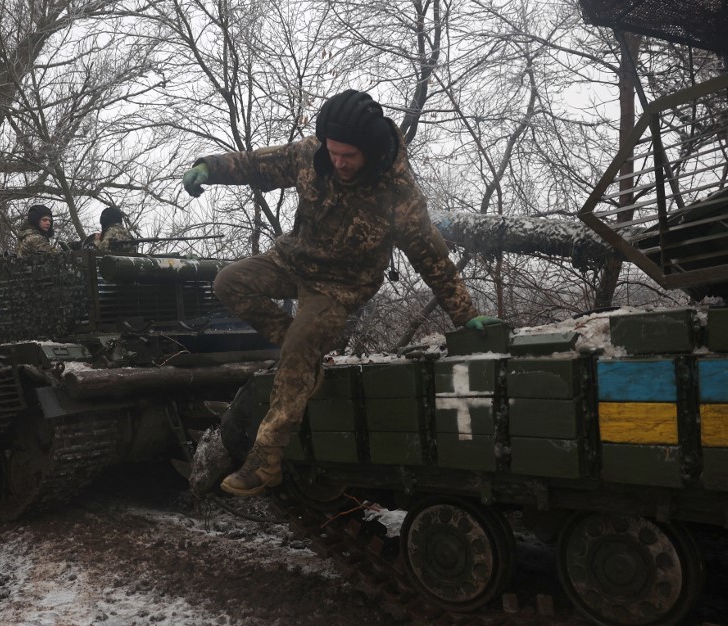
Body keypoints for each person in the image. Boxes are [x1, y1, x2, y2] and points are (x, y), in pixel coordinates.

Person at [182, 89, 499, 497]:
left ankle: (266, 458)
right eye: (334, 152)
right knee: (229, 282)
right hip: (293, 260)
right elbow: (257, 164)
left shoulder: (398, 194)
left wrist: (464, 313)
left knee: (298, 346)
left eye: (348, 155)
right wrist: (209, 167)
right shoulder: (312, 154)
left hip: (340, 286)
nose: (339, 162)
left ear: (370, 151)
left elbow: (432, 258)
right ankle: (306, 360)